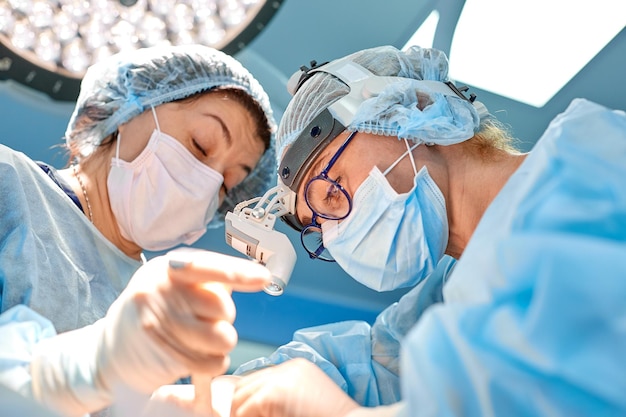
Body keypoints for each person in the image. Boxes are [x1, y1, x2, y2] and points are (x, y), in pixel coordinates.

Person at [219, 44, 626, 416]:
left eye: (329, 189)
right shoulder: (448, 299)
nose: (334, 234)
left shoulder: (596, 163)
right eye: (318, 228)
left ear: (413, 107)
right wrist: (228, 394)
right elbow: (370, 367)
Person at [0, 44, 277, 417]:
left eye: (227, 184)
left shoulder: (165, 317)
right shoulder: (8, 183)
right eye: (201, 145)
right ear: (131, 108)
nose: (207, 185)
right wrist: (83, 370)